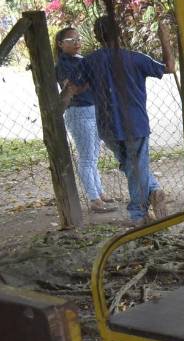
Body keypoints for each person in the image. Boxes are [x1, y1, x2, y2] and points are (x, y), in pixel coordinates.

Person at [65, 16, 176, 226]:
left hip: (108, 126)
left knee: (131, 166)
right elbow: (169, 67)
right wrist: (165, 39)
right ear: (121, 33)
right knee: (136, 166)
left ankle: (146, 200)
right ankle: (143, 205)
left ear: (97, 37)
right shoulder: (136, 58)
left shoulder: (90, 61)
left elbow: (74, 87)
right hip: (136, 124)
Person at [54, 27, 114, 213]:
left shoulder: (82, 59)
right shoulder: (63, 65)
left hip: (93, 110)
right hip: (78, 112)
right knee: (87, 157)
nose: (77, 42)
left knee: (94, 154)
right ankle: (94, 198)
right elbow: (72, 87)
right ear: (60, 44)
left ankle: (99, 192)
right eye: (71, 40)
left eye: (78, 39)